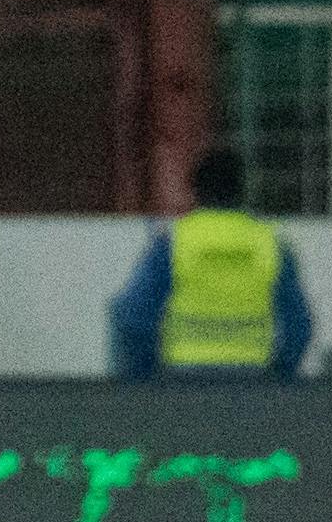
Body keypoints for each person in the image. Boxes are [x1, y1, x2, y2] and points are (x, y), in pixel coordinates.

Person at [111, 147, 314, 382]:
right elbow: (299, 325)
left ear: (195, 191)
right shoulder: (271, 244)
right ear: (242, 190)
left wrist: (147, 375)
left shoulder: (174, 243)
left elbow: (134, 317)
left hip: (184, 380)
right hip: (253, 381)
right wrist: (280, 375)